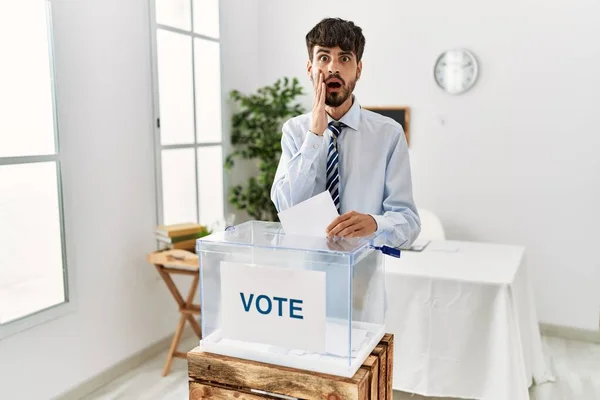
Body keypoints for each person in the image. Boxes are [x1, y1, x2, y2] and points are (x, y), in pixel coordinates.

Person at [271, 17, 420, 248]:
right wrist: (314, 137)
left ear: (358, 69)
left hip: (363, 272)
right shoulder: (294, 131)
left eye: (345, 58)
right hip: (307, 271)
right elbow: (286, 207)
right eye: (323, 57)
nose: (333, 67)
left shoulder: (389, 134)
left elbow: (409, 224)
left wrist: (375, 223)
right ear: (310, 68)